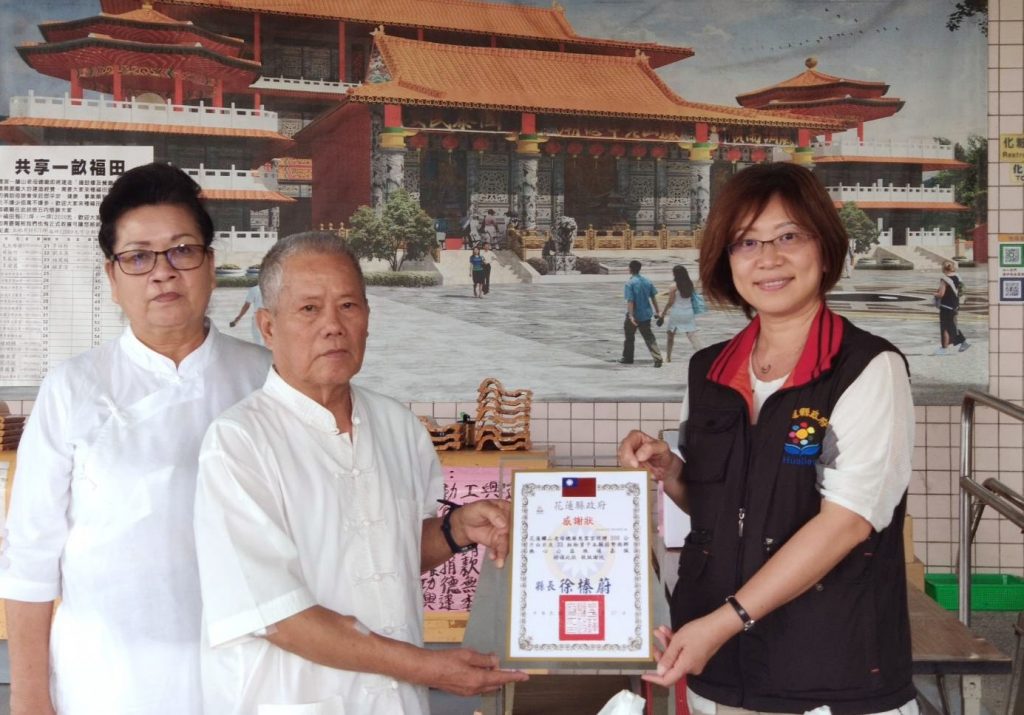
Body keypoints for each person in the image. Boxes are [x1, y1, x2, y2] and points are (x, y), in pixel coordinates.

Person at [619, 163, 916, 715]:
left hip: (828, 673)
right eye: (746, 242)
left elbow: (847, 522)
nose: (768, 259)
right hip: (716, 670)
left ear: (824, 249)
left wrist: (724, 621)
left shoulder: (868, 368)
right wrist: (672, 472)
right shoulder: (710, 371)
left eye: (789, 236)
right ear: (726, 259)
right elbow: (719, 508)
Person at [193, 232, 528, 714]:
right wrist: (427, 668)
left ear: (368, 318)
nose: (333, 326)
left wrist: (455, 530)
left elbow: (383, 554)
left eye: (348, 305)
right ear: (267, 327)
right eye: (309, 309)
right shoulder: (238, 443)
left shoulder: (397, 425)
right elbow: (277, 615)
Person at [0, 163, 271, 715]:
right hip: (106, 685)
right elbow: (29, 556)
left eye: (182, 250)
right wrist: (29, 698)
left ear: (210, 265)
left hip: (253, 682)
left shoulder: (268, 378)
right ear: (113, 277)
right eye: (139, 257)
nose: (163, 273)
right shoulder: (72, 387)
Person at [620, 259, 663, 367]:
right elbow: (653, 297)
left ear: (630, 269)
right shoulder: (647, 281)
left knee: (629, 337)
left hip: (634, 314)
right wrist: (658, 311)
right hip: (646, 314)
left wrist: (631, 316)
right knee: (649, 337)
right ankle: (657, 358)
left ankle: (628, 357)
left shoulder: (630, 283)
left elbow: (630, 301)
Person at [659, 264, 705, 363]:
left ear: (675, 274)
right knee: (691, 335)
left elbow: (670, 302)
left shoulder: (673, 286)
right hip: (688, 312)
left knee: (670, 335)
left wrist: (663, 313)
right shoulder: (690, 284)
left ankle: (668, 358)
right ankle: (702, 354)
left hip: (677, 313)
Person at [934, 260, 970, 354]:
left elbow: (941, 294)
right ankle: (944, 348)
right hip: (955, 305)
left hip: (946, 306)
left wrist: (935, 294)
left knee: (948, 327)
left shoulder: (945, 279)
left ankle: (962, 342)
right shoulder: (957, 277)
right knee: (949, 326)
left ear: (943, 268)